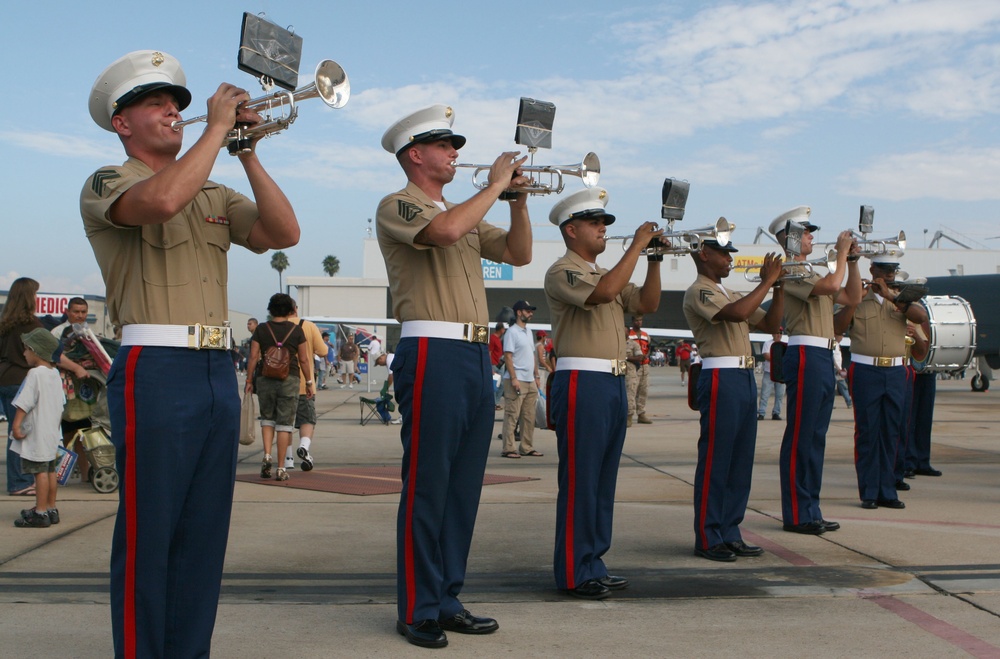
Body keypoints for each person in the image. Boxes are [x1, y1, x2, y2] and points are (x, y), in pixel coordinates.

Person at [81, 50, 299, 657]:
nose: (173, 113)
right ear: (122, 123)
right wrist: (216, 128)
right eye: (156, 104)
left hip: (213, 371)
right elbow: (158, 203)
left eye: (177, 104)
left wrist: (248, 150)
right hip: (155, 368)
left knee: (204, 534)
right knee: (150, 532)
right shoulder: (108, 180)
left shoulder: (214, 189)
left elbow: (284, 234)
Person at [376, 104, 532, 648]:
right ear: (415, 155)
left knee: (463, 488)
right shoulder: (399, 204)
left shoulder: (467, 210)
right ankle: (418, 605)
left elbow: (518, 252)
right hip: (432, 350)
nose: (455, 153)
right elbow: (444, 231)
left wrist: (517, 201)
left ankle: (447, 597)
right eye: (445, 146)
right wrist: (494, 186)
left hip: (470, 356)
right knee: (428, 485)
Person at [544, 187, 663, 600]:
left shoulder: (605, 273)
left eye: (604, 224)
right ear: (571, 230)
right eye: (595, 223)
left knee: (602, 481)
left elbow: (647, 301)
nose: (602, 229)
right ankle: (575, 572)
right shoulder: (563, 271)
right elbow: (606, 294)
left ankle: (593, 561)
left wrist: (654, 259)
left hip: (611, 383)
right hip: (583, 381)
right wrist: (635, 246)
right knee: (581, 480)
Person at [683, 240, 784, 561]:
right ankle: (709, 535)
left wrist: (779, 287)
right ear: (704, 255)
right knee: (717, 458)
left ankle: (730, 530)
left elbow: (769, 324)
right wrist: (768, 281)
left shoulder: (730, 292)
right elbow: (736, 314)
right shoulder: (700, 291)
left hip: (743, 378)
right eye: (724, 254)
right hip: (720, 377)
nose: (730, 260)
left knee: (740, 461)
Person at [770, 206, 862, 535]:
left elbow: (853, 296)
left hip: (822, 354)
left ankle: (811, 508)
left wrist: (851, 262)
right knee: (801, 436)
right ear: (791, 238)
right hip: (806, 352)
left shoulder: (811, 270)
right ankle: (797, 512)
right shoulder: (791, 269)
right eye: (807, 232)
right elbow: (828, 288)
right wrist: (840, 253)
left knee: (816, 438)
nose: (812, 236)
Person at [841, 253, 928, 510]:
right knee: (868, 431)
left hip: (895, 371)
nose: (889, 274)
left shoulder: (902, 300)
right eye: (884, 269)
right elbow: (839, 324)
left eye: (893, 270)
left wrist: (892, 296)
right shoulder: (859, 298)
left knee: (892, 432)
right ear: (873, 269)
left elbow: (920, 316)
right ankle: (869, 491)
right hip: (866, 370)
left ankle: (887, 490)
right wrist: (853, 302)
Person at [1, 278, 86, 496]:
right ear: (29, 298)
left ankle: (18, 480)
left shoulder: (4, 323)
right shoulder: (32, 325)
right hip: (23, 379)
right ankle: (21, 482)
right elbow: (54, 353)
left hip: (5, 380)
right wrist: (77, 368)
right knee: (23, 432)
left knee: (14, 431)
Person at [245, 294, 313, 482]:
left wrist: (249, 380)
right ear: (291, 310)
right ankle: (281, 467)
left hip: (265, 379)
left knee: (267, 418)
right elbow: (304, 359)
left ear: (270, 309)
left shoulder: (261, 329)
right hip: (289, 378)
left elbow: (253, 356)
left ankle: (267, 455)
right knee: (285, 424)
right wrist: (308, 382)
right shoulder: (297, 331)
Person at [11, 329, 66, 528]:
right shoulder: (54, 374)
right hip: (51, 433)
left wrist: (16, 426)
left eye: (26, 349)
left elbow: (24, 403)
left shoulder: (34, 374)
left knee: (39, 473)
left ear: (36, 351)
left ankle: (40, 512)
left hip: (37, 433)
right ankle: (51, 508)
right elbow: (60, 404)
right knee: (51, 471)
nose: (24, 354)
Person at [286, 304, 327, 471]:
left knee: (285, 422)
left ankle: (287, 457)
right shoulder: (308, 326)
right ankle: (304, 446)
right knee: (307, 419)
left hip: (281, 383)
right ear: (295, 308)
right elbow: (323, 351)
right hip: (304, 382)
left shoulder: (272, 327)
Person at [500, 300, 542, 458]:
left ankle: (526, 446)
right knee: (512, 415)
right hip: (516, 380)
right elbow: (508, 356)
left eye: (531, 311)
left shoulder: (528, 332)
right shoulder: (512, 332)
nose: (531, 313)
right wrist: (514, 378)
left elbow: (532, 355)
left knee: (529, 416)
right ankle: (509, 448)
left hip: (530, 380)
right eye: (528, 311)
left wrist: (536, 375)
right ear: (519, 312)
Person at [626, 314, 652, 425]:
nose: (639, 322)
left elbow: (649, 347)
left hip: (644, 365)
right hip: (632, 366)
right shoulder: (628, 335)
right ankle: (629, 415)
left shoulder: (646, 335)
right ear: (633, 321)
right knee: (631, 390)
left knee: (643, 390)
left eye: (641, 320)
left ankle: (641, 413)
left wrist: (646, 356)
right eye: (637, 320)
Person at [757, 330, 787, 420]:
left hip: (780, 373)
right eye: (777, 332)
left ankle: (776, 413)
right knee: (765, 394)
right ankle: (761, 413)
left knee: (780, 395)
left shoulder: (784, 345)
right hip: (768, 372)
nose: (778, 335)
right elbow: (766, 356)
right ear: (773, 334)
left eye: (780, 333)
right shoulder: (768, 343)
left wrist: (775, 358)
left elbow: (786, 357)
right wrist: (779, 359)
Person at [489, 322, 506, 409]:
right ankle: (494, 403)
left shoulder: (499, 339)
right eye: (503, 329)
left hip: (500, 364)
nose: (504, 330)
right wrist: (489, 365)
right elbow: (490, 352)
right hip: (494, 364)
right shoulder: (492, 338)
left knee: (502, 384)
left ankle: (497, 401)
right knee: (495, 384)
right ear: (500, 329)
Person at [833, 339, 853, 409]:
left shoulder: (838, 344)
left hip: (838, 368)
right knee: (833, 387)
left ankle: (849, 402)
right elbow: (832, 356)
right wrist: (838, 369)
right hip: (835, 369)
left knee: (843, 386)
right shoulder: (834, 343)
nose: (842, 338)